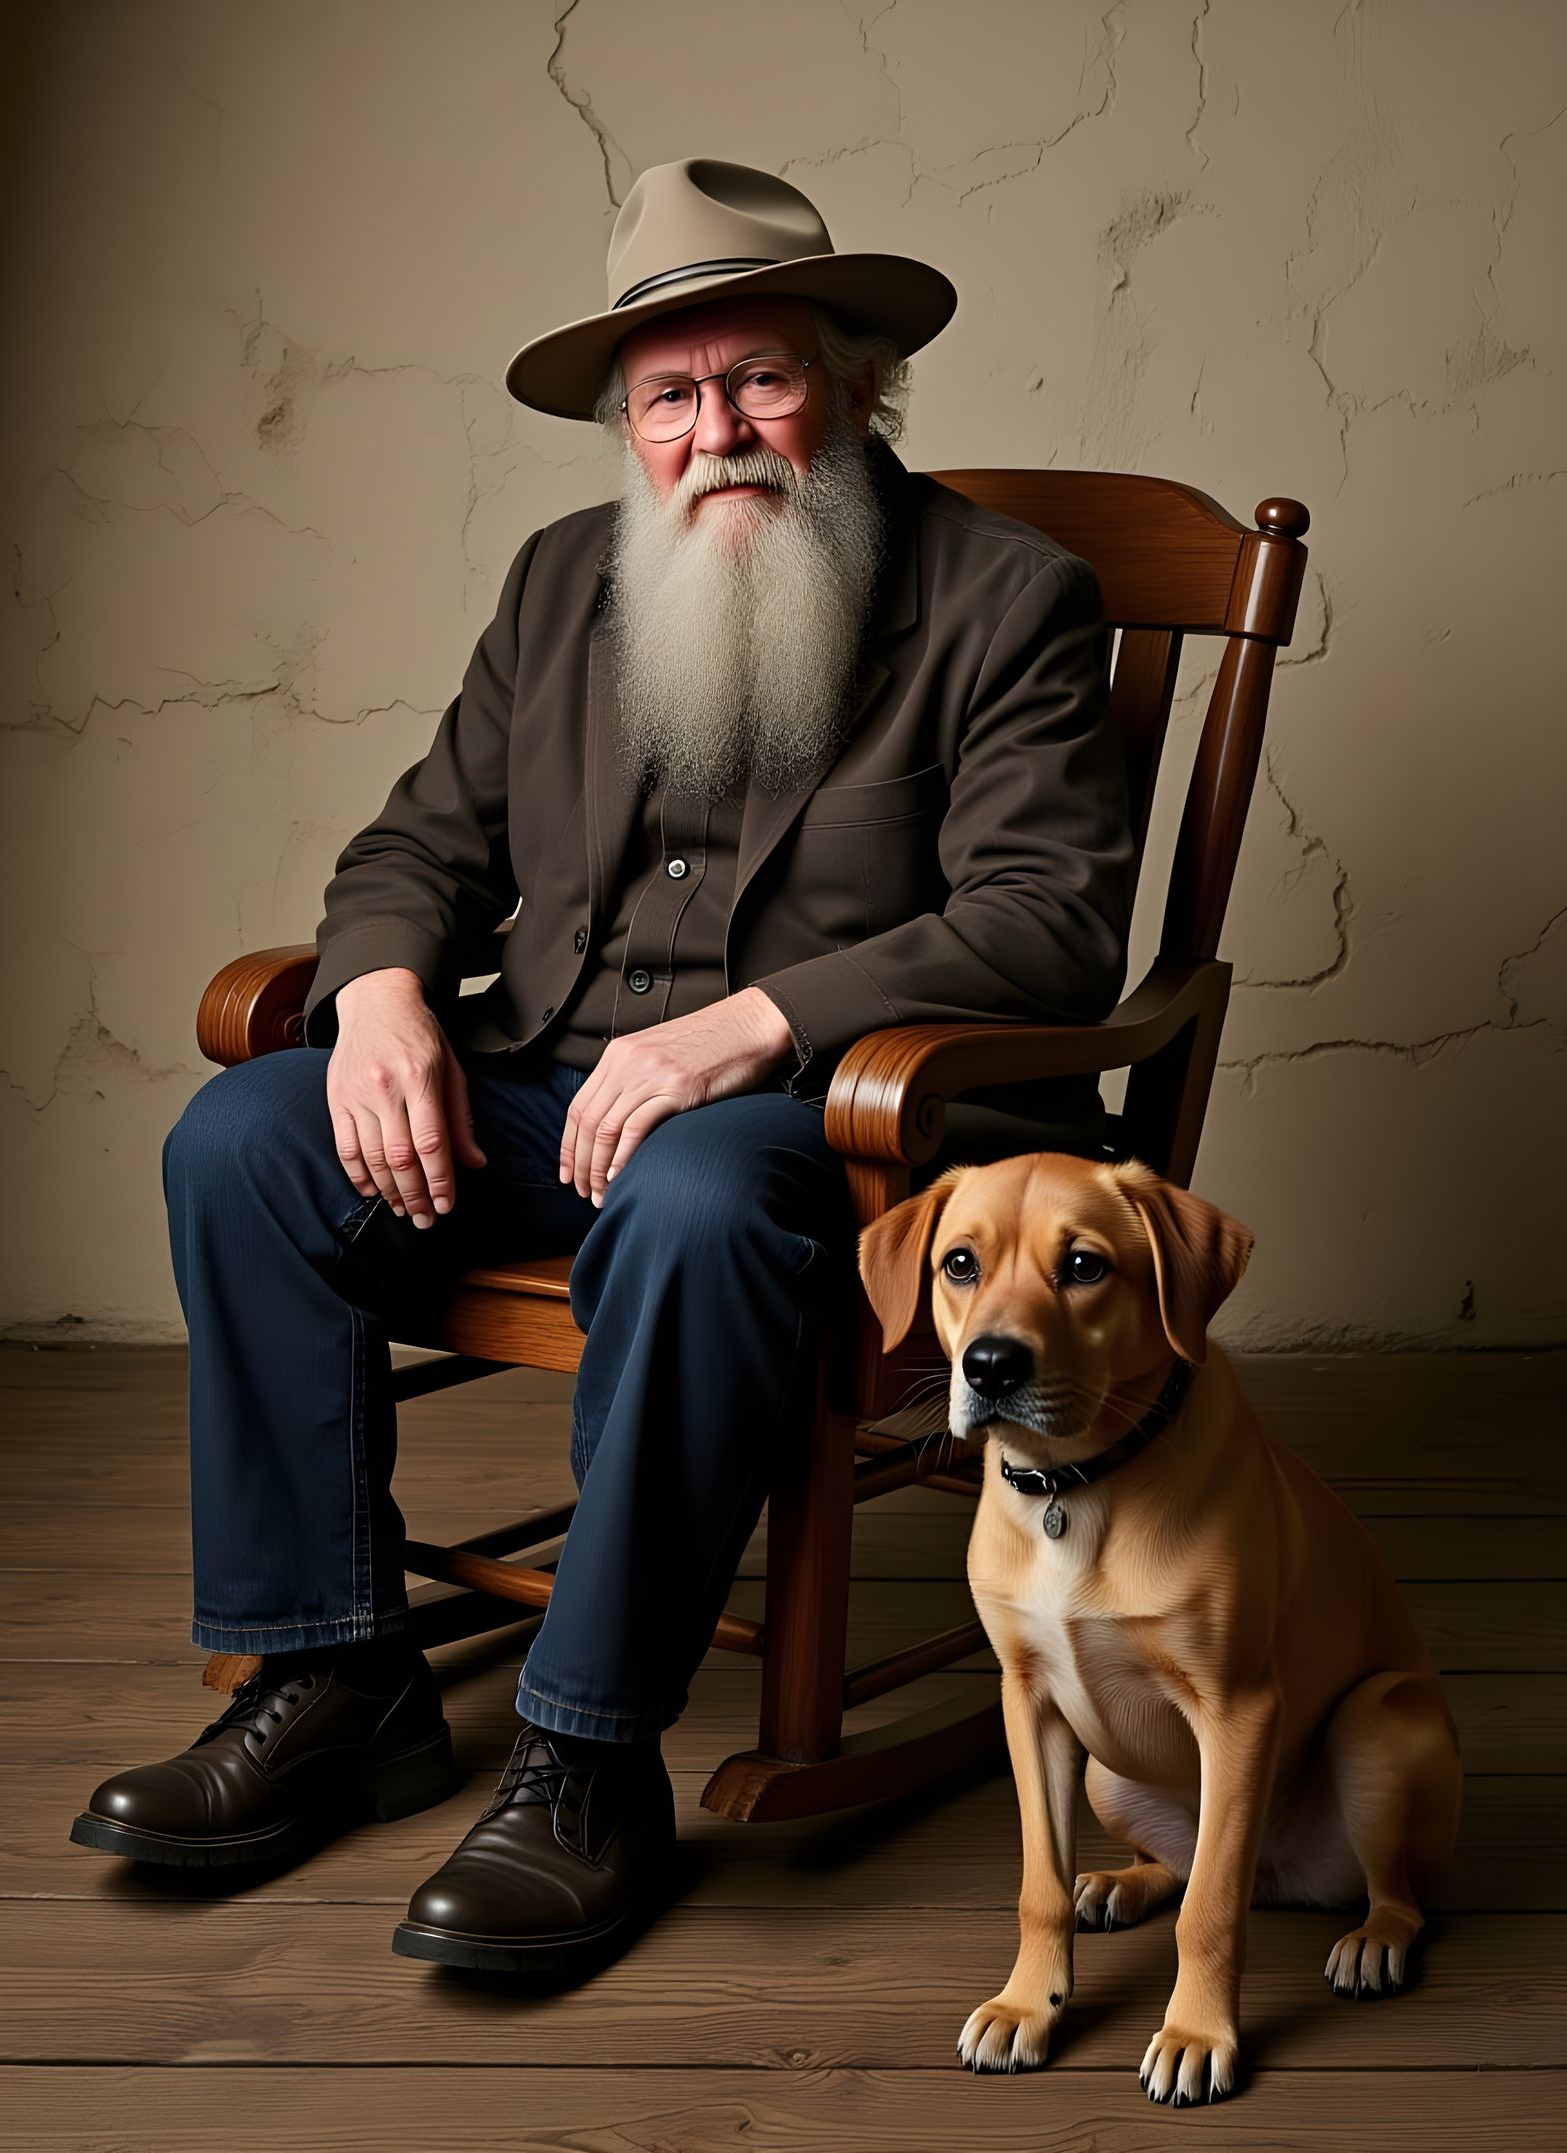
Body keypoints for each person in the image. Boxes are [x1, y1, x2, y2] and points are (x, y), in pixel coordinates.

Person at [69, 158, 1138, 1981]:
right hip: (548, 1082)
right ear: (626, 424)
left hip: (837, 1132)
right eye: (670, 395)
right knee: (244, 1135)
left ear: (864, 379)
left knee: (705, 1190)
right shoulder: (564, 583)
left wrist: (755, 1026)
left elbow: (1051, 924)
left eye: (762, 381)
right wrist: (387, 991)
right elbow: (416, 848)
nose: (715, 429)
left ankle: (584, 1757)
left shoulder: (1006, 595)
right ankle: (335, 1676)